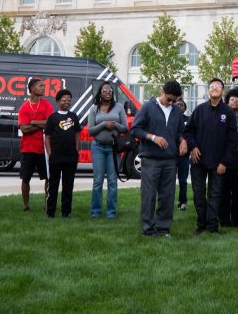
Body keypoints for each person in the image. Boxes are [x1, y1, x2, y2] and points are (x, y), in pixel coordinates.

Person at [131, 79, 188, 237]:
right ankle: (148, 229)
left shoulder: (176, 111)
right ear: (161, 92)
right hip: (151, 159)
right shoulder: (148, 107)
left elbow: (180, 132)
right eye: (168, 99)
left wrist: (182, 141)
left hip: (170, 160)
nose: (171, 103)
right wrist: (152, 137)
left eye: (174, 101)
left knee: (167, 195)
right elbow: (135, 129)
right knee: (148, 194)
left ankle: (163, 228)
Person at [185, 78, 238, 234]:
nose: (214, 88)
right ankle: (201, 225)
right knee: (198, 194)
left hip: (219, 162)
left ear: (223, 90)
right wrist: (193, 146)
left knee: (215, 195)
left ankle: (212, 226)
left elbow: (233, 139)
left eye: (218, 86)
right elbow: (188, 132)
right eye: (212, 86)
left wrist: (224, 161)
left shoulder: (228, 112)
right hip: (198, 161)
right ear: (208, 90)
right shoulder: (199, 110)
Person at [86, 79, 127, 220]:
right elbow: (90, 130)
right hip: (97, 147)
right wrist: (104, 124)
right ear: (100, 93)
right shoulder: (93, 108)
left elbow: (125, 128)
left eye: (110, 90)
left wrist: (114, 124)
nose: (107, 92)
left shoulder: (119, 107)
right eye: (104, 90)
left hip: (113, 148)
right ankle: (96, 211)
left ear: (112, 93)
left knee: (112, 181)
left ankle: (111, 212)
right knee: (98, 181)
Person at [44, 89, 81, 219]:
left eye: (69, 100)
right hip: (56, 156)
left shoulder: (74, 116)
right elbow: (47, 137)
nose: (67, 102)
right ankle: (50, 212)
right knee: (53, 185)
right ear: (58, 101)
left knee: (68, 185)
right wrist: (50, 153)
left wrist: (76, 151)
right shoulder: (53, 117)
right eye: (64, 100)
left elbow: (77, 134)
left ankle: (66, 212)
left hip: (71, 156)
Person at [18, 77, 53, 212]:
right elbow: (24, 129)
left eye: (44, 86)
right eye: (40, 86)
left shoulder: (46, 104)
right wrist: (41, 124)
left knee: (48, 177)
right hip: (28, 148)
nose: (43, 88)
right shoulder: (24, 107)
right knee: (25, 178)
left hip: (44, 148)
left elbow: (50, 122)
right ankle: (26, 206)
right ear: (32, 89)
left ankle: (47, 203)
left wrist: (33, 122)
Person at [219, 87, 238, 227]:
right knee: (223, 193)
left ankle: (236, 221)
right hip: (224, 162)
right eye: (232, 99)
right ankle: (224, 220)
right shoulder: (221, 117)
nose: (235, 101)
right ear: (227, 101)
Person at [174, 96, 190, 211]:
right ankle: (168, 202)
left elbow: (190, 135)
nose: (180, 106)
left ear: (185, 108)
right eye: (178, 104)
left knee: (183, 180)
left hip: (184, 155)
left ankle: (183, 201)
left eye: (182, 105)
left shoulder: (188, 120)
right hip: (171, 154)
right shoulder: (170, 119)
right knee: (169, 180)